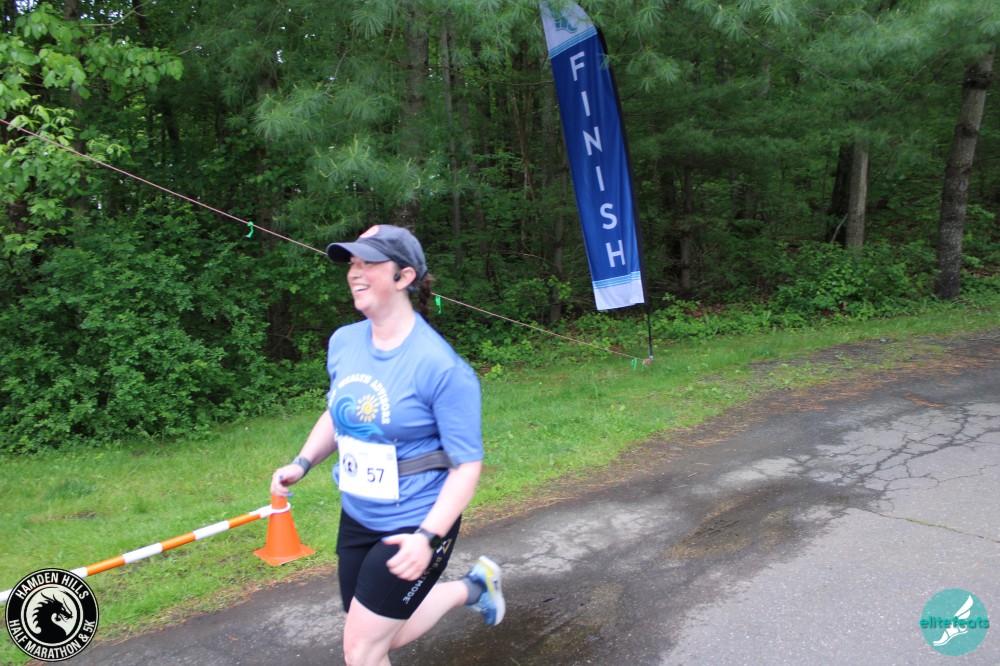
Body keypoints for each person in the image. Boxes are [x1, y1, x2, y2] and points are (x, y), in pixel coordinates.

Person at [270, 224, 504, 665]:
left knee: (361, 649)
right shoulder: (344, 341)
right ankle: (473, 588)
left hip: (414, 519)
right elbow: (338, 411)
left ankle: (471, 586)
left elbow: (466, 466)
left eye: (369, 263)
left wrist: (426, 538)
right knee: (378, 638)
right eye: (352, 263)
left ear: (404, 276)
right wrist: (303, 461)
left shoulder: (441, 367)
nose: (354, 272)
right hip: (358, 513)